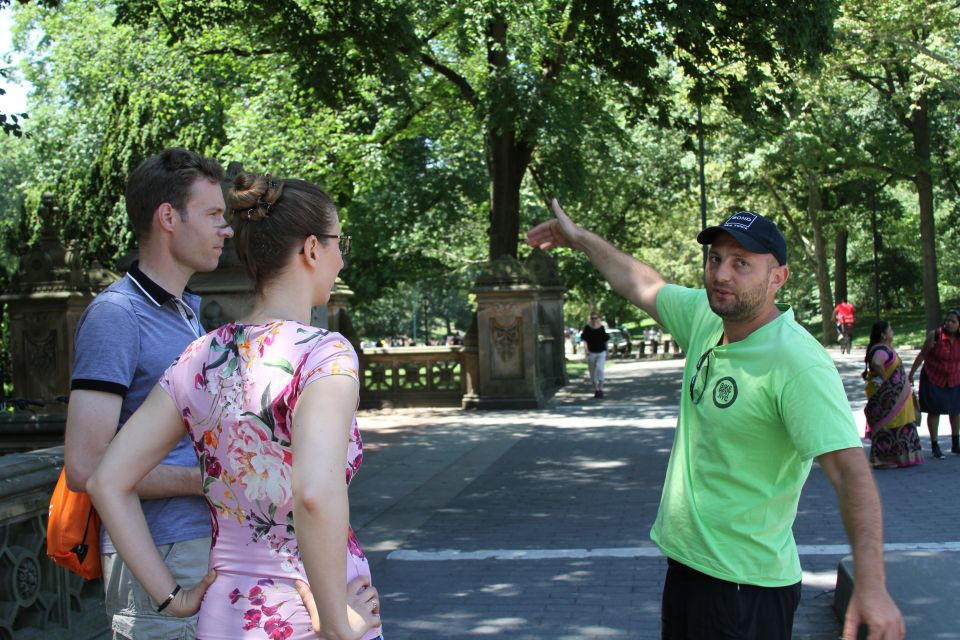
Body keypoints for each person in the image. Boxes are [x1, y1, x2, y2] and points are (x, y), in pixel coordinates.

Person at [528, 202, 904, 640]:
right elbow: (642, 283)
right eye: (715, 259)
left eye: (741, 263)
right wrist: (580, 238)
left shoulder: (798, 363)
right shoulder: (708, 319)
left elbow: (849, 472)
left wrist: (872, 585)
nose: (721, 274)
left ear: (777, 278)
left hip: (746, 591)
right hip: (687, 571)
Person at [87, 172, 382, 640]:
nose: (342, 258)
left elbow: (107, 480)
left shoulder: (201, 355)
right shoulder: (325, 355)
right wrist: (337, 624)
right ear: (310, 249)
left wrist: (172, 597)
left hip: (225, 613)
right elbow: (314, 495)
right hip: (312, 611)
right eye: (337, 242)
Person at [64, 148, 231, 638]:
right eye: (214, 215)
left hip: (195, 547)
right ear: (168, 218)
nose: (226, 230)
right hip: (159, 556)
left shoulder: (184, 311)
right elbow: (85, 467)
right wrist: (210, 479)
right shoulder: (117, 315)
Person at [862, 320, 923, 469]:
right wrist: (884, 378)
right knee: (888, 425)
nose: (892, 332)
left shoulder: (885, 348)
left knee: (900, 425)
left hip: (896, 399)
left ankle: (898, 457)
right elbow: (877, 363)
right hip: (888, 400)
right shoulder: (881, 350)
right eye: (890, 330)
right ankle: (883, 459)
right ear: (883, 335)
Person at [908, 309, 960, 460]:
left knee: (956, 410)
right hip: (933, 378)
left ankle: (956, 444)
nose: (949, 323)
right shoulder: (935, 336)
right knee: (934, 411)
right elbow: (922, 355)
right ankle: (935, 446)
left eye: (953, 321)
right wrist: (911, 375)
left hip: (955, 379)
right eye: (948, 320)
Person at [581, 311, 610, 398]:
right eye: (592, 318)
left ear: (598, 318)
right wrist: (586, 349)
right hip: (591, 353)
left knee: (600, 369)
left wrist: (607, 350)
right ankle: (596, 390)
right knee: (592, 372)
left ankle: (601, 388)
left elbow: (606, 339)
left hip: (601, 352)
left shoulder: (602, 328)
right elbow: (584, 340)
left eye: (595, 318)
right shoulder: (587, 328)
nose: (594, 320)